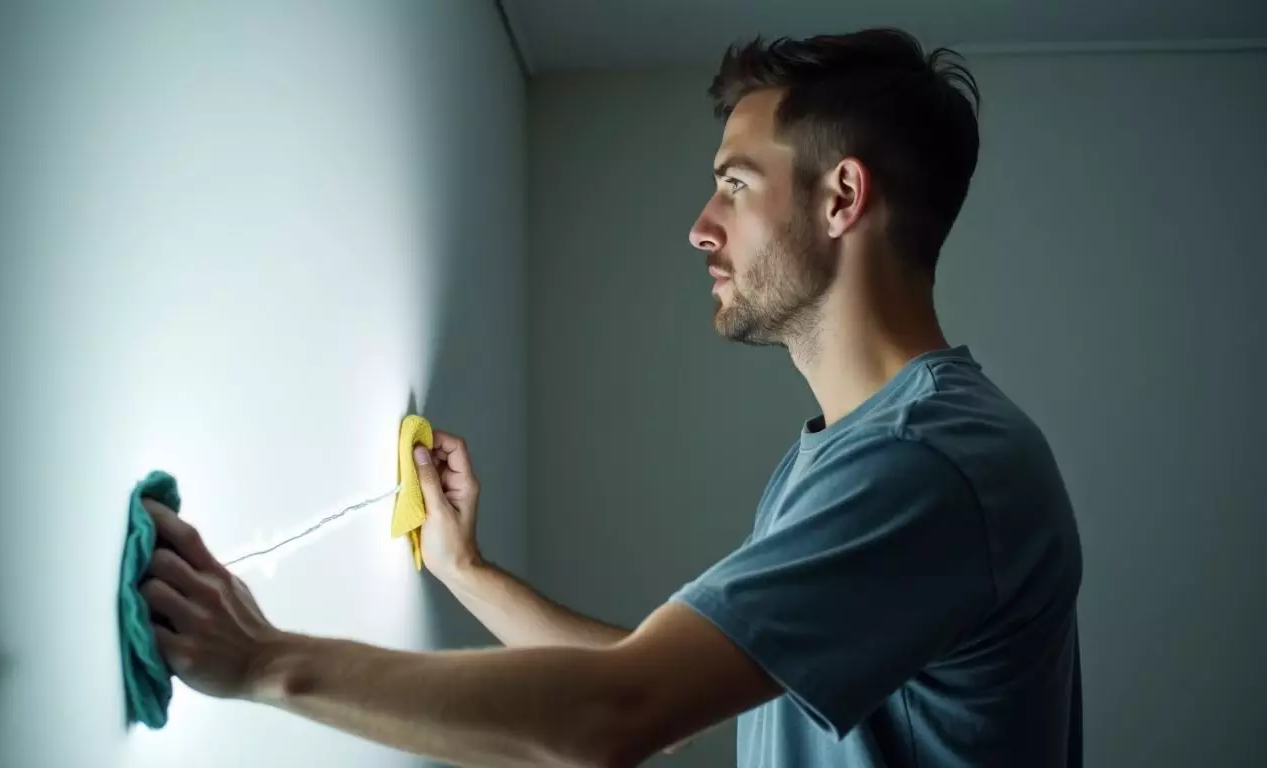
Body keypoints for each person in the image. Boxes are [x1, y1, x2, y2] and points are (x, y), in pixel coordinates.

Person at [139, 27, 1083, 767]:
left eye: (734, 184)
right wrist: (464, 571)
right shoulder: (850, 454)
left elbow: (614, 720)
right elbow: (662, 695)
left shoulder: (927, 463)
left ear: (841, 199)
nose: (700, 229)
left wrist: (265, 663)